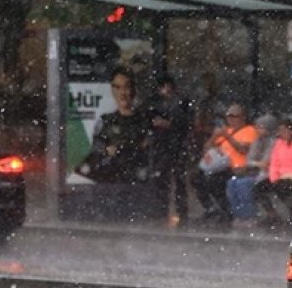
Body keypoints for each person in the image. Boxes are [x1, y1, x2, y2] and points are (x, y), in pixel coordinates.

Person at [78, 67, 150, 183]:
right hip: (110, 179)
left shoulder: (144, 120)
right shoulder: (106, 120)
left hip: (137, 179)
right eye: (117, 87)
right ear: (112, 90)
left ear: (133, 89)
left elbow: (151, 147)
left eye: (126, 87)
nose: (122, 92)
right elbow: (96, 143)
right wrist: (106, 150)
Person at [194, 103, 257, 226]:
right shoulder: (225, 131)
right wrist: (214, 137)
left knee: (215, 181)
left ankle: (227, 211)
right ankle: (211, 208)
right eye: (228, 116)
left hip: (238, 167)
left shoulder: (250, 131)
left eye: (234, 116)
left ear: (242, 117)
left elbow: (243, 149)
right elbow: (206, 148)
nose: (231, 119)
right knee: (196, 178)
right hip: (220, 165)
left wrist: (228, 136)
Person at [147, 74, 193, 224]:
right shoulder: (158, 103)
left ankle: (178, 212)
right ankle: (164, 211)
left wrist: (169, 125)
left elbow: (184, 123)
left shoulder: (180, 103)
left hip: (175, 145)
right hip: (164, 146)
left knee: (176, 180)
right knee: (163, 179)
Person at [225, 114, 277, 226]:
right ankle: (239, 214)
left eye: (261, 127)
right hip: (253, 172)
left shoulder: (274, 142)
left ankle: (250, 215)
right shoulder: (256, 141)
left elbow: (266, 162)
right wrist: (256, 164)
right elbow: (249, 160)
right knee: (232, 183)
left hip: (266, 174)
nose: (258, 130)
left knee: (244, 185)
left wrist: (256, 164)